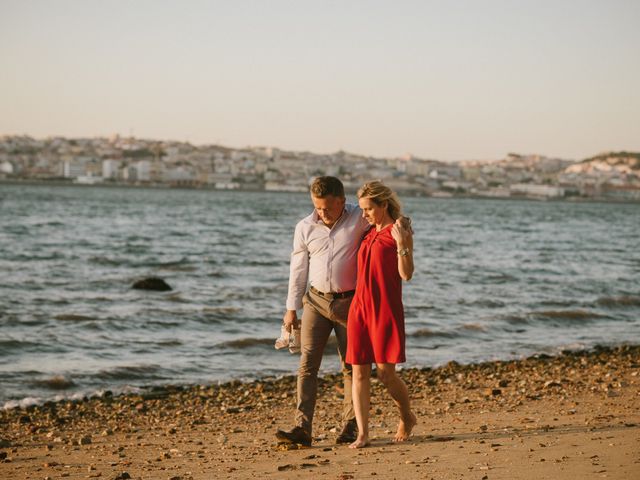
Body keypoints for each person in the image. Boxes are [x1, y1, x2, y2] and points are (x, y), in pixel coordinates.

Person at [275, 176, 370, 447]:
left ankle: (351, 425)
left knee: (351, 367)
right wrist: (291, 309)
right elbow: (298, 269)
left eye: (327, 207)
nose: (322, 213)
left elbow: (384, 220)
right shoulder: (305, 227)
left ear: (342, 201)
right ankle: (302, 428)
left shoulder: (358, 218)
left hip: (350, 303)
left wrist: (403, 228)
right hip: (315, 302)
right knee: (307, 365)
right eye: (317, 207)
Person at [346, 180, 417, 448]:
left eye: (368, 209)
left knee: (386, 374)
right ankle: (363, 434)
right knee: (359, 373)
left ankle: (406, 416)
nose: (363, 214)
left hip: (385, 309)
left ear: (383, 205)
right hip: (359, 309)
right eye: (362, 209)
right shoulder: (367, 232)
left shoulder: (398, 231)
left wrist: (401, 243)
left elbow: (406, 274)